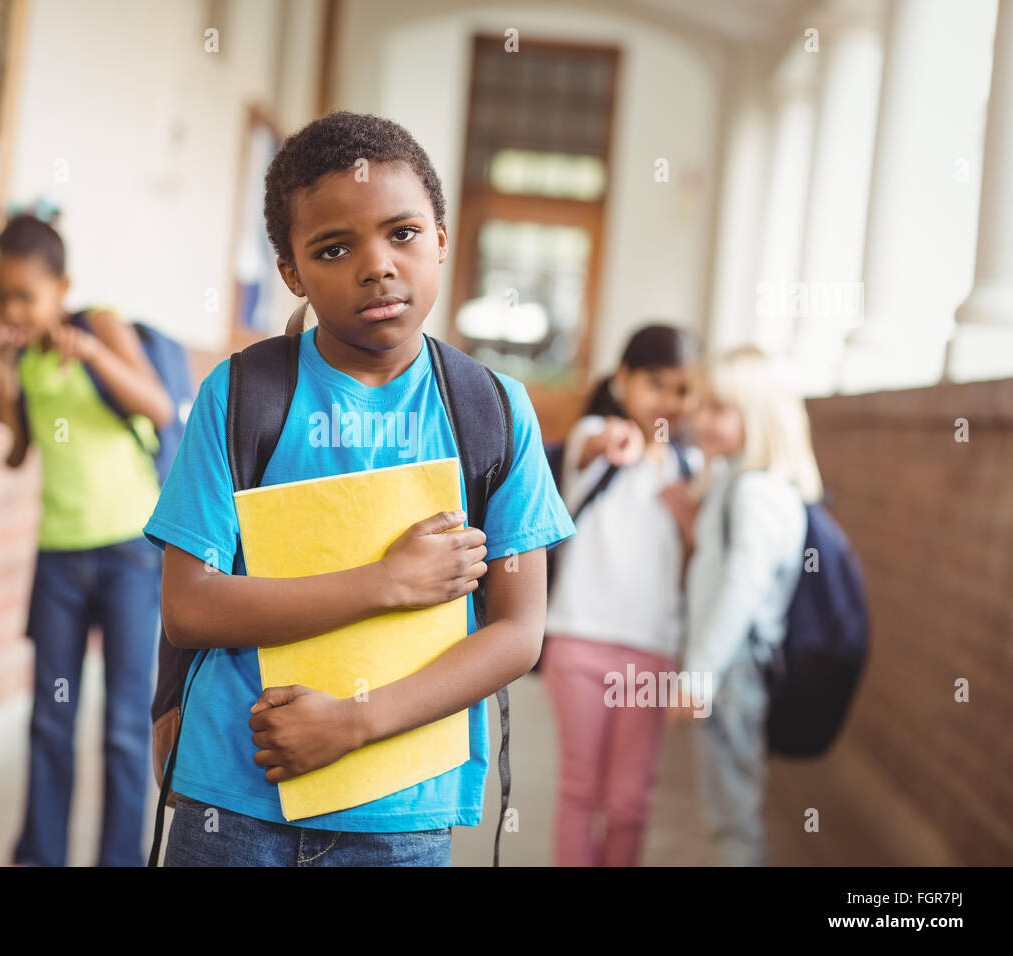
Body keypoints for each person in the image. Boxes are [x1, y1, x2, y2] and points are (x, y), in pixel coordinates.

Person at [144, 111, 573, 867]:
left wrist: (354, 722)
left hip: (399, 813)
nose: (376, 266)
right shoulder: (243, 394)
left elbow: (516, 632)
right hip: (236, 798)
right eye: (334, 248)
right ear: (292, 272)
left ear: (443, 236)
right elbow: (189, 606)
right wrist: (387, 583)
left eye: (402, 233)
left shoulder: (491, 411)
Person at [0, 214, 175, 867]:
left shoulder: (99, 325)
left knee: (125, 726)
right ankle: (41, 853)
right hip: (58, 555)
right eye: (3, 295)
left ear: (61, 286)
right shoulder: (24, 354)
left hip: (129, 549)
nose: (13, 308)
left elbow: (159, 407)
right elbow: (17, 453)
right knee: (50, 718)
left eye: (25, 295)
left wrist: (93, 353)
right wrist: (2, 379)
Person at [541, 324, 697, 866]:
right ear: (623, 378)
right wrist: (614, 440)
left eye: (683, 389)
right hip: (580, 642)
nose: (671, 401)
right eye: (656, 383)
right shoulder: (600, 440)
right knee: (581, 790)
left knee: (630, 801)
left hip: (651, 650)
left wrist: (688, 517)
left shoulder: (689, 469)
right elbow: (588, 445)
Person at [669, 345, 821, 866]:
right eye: (701, 406)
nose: (700, 420)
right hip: (733, 668)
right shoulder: (743, 482)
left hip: (733, 671)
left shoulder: (754, 491)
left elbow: (742, 586)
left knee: (731, 820)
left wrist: (699, 675)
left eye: (718, 410)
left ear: (758, 418)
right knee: (728, 811)